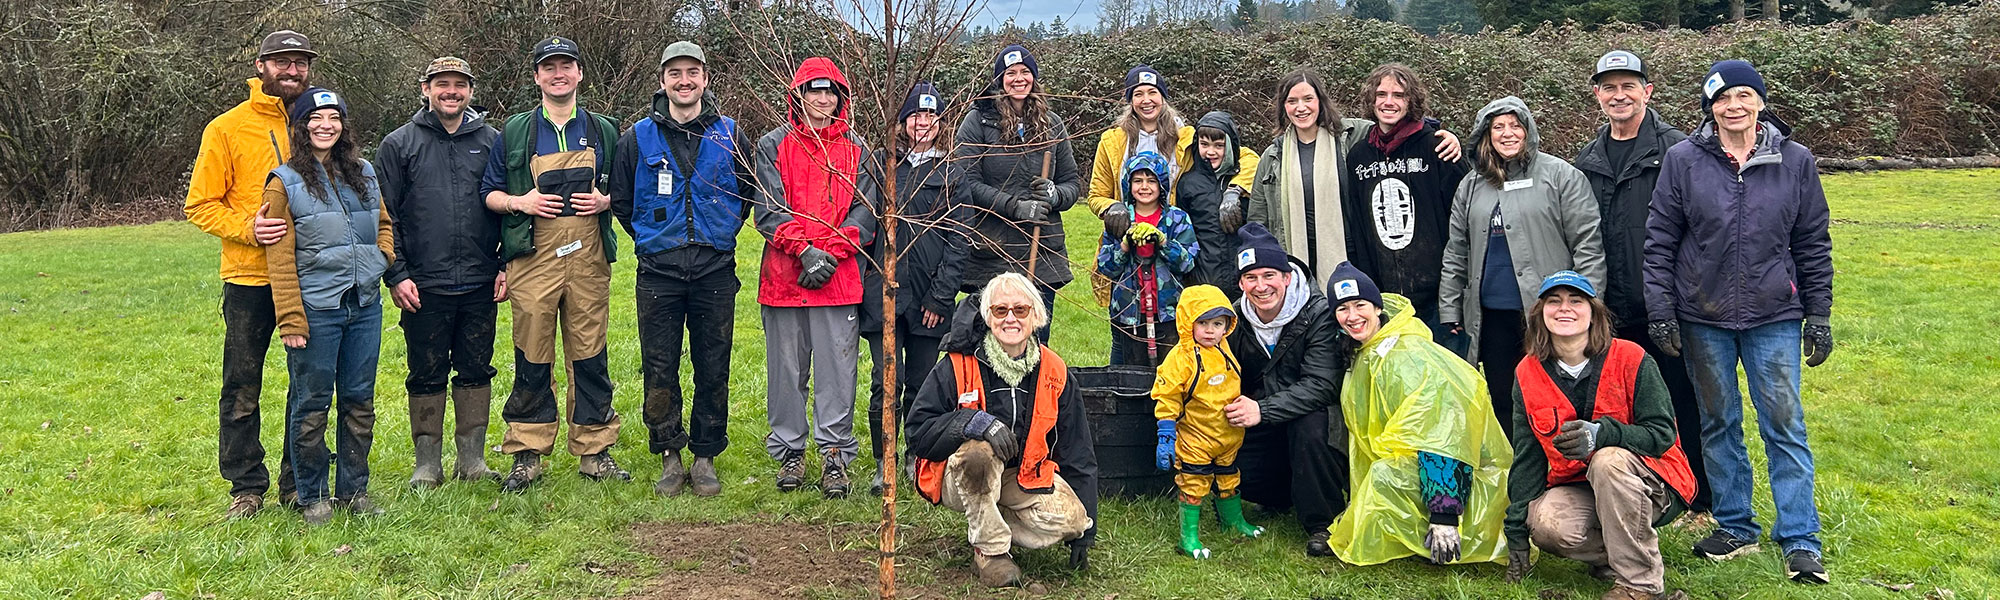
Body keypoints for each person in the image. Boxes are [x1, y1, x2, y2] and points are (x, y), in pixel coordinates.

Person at [1644, 59, 1834, 585]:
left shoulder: (1795, 162)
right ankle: (1734, 525)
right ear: (1710, 108)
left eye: (1744, 96)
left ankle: (1800, 537)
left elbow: (1813, 243)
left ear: (1760, 102)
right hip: (1702, 316)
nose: (1734, 107)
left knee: (1784, 425)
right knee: (1718, 421)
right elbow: (1660, 240)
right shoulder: (1683, 160)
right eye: (1722, 99)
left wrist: (1818, 313)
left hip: (1774, 314)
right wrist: (1661, 311)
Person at [479, 36, 627, 492]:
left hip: (587, 256)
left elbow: (627, 190)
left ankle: (595, 450)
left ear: (580, 73)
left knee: (590, 353)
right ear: (538, 76)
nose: (558, 74)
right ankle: (527, 452)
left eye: (567, 65)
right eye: (549, 67)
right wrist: (519, 202)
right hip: (533, 256)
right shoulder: (516, 131)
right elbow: (489, 194)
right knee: (531, 353)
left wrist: (607, 201)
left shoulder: (605, 130)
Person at [610, 41, 754, 498]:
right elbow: (622, 200)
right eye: (675, 73)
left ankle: (706, 454)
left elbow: (748, 194)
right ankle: (670, 454)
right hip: (659, 273)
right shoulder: (636, 138)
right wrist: (658, 240)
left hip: (714, 270)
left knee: (714, 364)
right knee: (659, 365)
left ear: (705, 79)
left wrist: (722, 228)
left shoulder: (731, 135)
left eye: (693, 72)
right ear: (662, 81)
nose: (684, 80)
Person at [184, 30, 317, 518]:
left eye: (300, 62)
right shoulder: (226, 128)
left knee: (308, 384)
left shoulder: (319, 122)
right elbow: (199, 204)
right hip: (249, 279)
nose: (292, 70)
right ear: (260, 66)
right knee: (243, 383)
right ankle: (246, 484)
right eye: (282, 62)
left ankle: (297, 479)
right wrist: (247, 228)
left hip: (310, 277)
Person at [1502, 271, 1697, 600]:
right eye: (1554, 301)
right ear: (1540, 314)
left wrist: (1603, 435)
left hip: (1654, 484)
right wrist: (1517, 533)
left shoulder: (1632, 357)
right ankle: (1619, 556)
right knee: (1546, 523)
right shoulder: (1527, 371)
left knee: (1608, 461)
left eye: (1576, 301)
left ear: (1594, 314)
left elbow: (1662, 433)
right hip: (1584, 490)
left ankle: (1641, 587)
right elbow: (1528, 456)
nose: (1565, 309)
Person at [1571, 50, 1708, 518]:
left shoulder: (1678, 151)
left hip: (1666, 304)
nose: (1619, 95)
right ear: (1597, 96)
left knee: (1681, 399)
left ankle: (1697, 495)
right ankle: (1634, 491)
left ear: (1648, 91)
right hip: (1608, 308)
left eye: (1629, 85)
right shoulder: (1585, 161)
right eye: (1609, 87)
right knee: (1618, 401)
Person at [905, 273, 1097, 588]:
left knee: (1073, 520)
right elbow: (918, 432)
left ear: (1036, 317)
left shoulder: (1055, 371)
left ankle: (989, 522)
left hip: (1021, 477)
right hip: (962, 475)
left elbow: (1078, 451)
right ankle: (990, 552)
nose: (1010, 318)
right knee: (979, 454)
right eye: (1000, 311)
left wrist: (1087, 533)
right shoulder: (956, 364)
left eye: (1020, 310)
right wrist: (969, 422)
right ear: (987, 317)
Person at [751, 56, 882, 499]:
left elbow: (866, 213)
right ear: (799, 95)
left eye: (831, 92)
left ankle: (834, 456)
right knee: (786, 374)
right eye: (814, 90)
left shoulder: (857, 149)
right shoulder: (773, 145)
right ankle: (790, 450)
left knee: (837, 374)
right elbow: (767, 209)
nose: (822, 99)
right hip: (785, 281)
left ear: (841, 98)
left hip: (838, 281)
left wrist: (830, 253)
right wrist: (804, 251)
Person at [261, 87, 394, 525]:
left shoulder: (365, 172)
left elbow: (384, 222)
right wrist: (291, 318)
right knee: (312, 403)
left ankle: (354, 491)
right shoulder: (283, 181)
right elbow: (278, 257)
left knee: (359, 401)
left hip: (364, 304)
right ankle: (311, 495)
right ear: (300, 127)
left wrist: (383, 258)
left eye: (334, 117)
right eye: (315, 119)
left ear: (344, 126)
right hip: (316, 309)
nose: (325, 126)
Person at [1321, 262, 1510, 566]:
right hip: (1413, 464)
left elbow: (1443, 433)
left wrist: (1443, 513)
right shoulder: (1365, 352)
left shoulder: (1408, 355)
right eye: (1343, 309)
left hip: (1452, 476)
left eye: (1360, 305)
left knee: (1386, 475)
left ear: (1378, 308)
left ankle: (1443, 527)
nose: (1353, 316)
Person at [1439, 96, 1605, 436]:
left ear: (1528, 130)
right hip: (1492, 315)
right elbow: (1456, 249)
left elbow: (1587, 243)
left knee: (1556, 398)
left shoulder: (1561, 176)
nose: (1508, 133)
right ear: (1485, 135)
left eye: (1515, 125)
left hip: (1547, 312)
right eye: (1498, 126)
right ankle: (1519, 478)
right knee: (1505, 398)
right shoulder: (1470, 185)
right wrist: (1450, 308)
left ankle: (1563, 477)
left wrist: (1588, 304)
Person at [375, 56, 505, 488]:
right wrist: (396, 275)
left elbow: (508, 206)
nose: (451, 91)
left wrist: (505, 265)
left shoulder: (492, 141)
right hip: (422, 283)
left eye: (460, 85)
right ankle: (426, 463)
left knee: (476, 368)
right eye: (442, 84)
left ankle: (472, 460)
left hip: (480, 280)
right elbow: (384, 215)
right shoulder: (398, 145)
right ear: (425, 89)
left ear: (470, 90)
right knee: (425, 370)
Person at [1085, 67, 1257, 358]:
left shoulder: (1186, 136)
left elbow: (1246, 155)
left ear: (1163, 98)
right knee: (1126, 338)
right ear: (1130, 101)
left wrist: (1235, 191)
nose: (1146, 100)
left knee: (1177, 329)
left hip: (1175, 236)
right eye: (1137, 94)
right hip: (1129, 239)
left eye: (1153, 92)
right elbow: (1096, 194)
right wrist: (1112, 208)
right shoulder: (1113, 141)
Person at [1246, 68, 1460, 288]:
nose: (1301, 107)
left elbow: (1397, 127)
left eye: (1308, 99)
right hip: (1293, 262)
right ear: (1283, 107)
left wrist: (1440, 134)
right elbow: (1257, 219)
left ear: (1320, 101)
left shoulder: (1350, 135)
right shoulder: (1272, 157)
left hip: (1348, 259)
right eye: (1292, 101)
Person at [858, 82, 969, 496]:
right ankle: (883, 460)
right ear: (903, 123)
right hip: (882, 294)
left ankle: (916, 456)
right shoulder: (881, 165)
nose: (924, 123)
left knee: (924, 382)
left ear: (941, 123)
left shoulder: (953, 173)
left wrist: (941, 296)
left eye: (931, 117)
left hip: (929, 298)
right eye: (916, 117)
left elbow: (960, 238)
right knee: (886, 381)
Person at [1220, 223, 1347, 557]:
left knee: (1311, 428)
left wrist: (1261, 410)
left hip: (1314, 413)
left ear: (1287, 276)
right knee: (1226, 440)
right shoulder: (1234, 320)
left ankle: (1323, 522)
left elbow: (1322, 385)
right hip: (1263, 415)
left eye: (1269, 275)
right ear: (1241, 283)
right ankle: (1278, 496)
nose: (1261, 287)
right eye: (1251, 278)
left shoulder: (1318, 313)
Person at [953, 44, 1083, 338]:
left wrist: (1055, 195)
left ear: (1034, 78)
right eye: (1011, 73)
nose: (1019, 78)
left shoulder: (1052, 125)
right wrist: (1016, 207)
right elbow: (966, 182)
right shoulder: (978, 122)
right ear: (1000, 79)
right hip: (992, 249)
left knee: (1037, 340)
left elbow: (1072, 182)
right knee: (993, 338)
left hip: (1042, 250)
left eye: (1025, 72)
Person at [1342, 63, 1470, 335]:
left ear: (1411, 101)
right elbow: (1358, 226)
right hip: (1385, 297)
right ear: (1371, 99)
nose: (1389, 102)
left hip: (1439, 297)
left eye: (1399, 95)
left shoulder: (1438, 147)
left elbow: (1465, 218)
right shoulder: (1359, 156)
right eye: (1381, 94)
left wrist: (1458, 288)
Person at [1152, 284, 1264, 558]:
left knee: (1228, 477)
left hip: (1227, 435)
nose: (1211, 330)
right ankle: (1188, 536)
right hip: (1196, 438)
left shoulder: (1223, 348)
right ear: (1188, 322)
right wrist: (1166, 435)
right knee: (1194, 482)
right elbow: (1167, 396)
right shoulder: (1181, 359)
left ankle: (1232, 522)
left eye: (1218, 323)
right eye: (1202, 323)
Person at [1095, 151, 1198, 366]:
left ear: (1161, 184)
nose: (1144, 187)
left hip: (1168, 312)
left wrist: (1163, 243)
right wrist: (1124, 245)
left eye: (1151, 181)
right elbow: (1105, 267)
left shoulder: (1176, 218)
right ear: (1128, 184)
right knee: (1134, 372)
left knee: (1170, 369)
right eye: (1138, 181)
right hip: (1129, 312)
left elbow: (1187, 263)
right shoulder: (1119, 219)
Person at [1175, 110, 1262, 295]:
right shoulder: (1187, 184)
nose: (1211, 152)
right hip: (1205, 279)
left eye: (1219, 145)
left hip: (1244, 278)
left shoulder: (1246, 176)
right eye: (1204, 144)